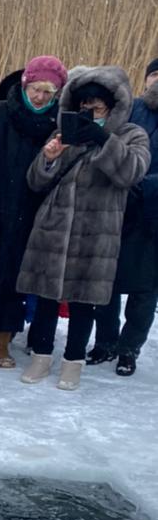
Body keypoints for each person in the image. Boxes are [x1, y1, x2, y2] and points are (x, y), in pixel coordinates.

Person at [17, 66, 150, 390]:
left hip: (97, 231)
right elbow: (35, 182)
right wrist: (49, 158)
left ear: (112, 108)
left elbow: (132, 172)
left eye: (98, 107)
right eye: (84, 106)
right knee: (46, 296)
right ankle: (41, 356)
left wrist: (103, 139)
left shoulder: (131, 135)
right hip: (54, 226)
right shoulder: (66, 130)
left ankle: (73, 361)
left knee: (83, 301)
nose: (90, 113)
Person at [0, 55, 67, 367]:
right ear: (25, 85)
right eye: (36, 89)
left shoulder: (58, 123)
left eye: (48, 92)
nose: (40, 97)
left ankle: (1, 341)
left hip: (30, 210)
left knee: (15, 278)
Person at [86, 56, 158, 377]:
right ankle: (105, 341)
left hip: (153, 212)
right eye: (155, 75)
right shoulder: (131, 109)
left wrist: (145, 184)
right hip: (117, 203)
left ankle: (129, 348)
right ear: (146, 79)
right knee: (107, 281)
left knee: (145, 288)